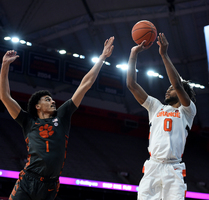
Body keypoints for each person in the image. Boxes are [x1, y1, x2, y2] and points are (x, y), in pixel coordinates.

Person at [0, 37, 114, 200]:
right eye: (47, 99)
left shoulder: (63, 115)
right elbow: (4, 96)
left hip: (49, 186)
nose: (52, 101)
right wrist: (5, 65)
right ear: (37, 106)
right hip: (27, 180)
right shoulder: (28, 121)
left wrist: (102, 57)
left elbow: (85, 84)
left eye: (51, 99)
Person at [127, 33, 197, 200]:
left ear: (183, 94)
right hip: (153, 166)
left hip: (173, 169)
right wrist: (133, 55)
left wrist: (164, 54)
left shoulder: (188, 111)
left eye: (170, 88)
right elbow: (131, 84)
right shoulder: (155, 107)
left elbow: (178, 84)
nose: (168, 89)